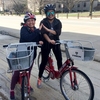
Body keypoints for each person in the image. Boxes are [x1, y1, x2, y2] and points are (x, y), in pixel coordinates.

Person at [10, 13, 43, 100]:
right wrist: (37, 31)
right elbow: (28, 38)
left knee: (28, 71)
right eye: (29, 21)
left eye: (32, 20)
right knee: (17, 71)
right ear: (25, 22)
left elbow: (37, 39)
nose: (31, 22)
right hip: (22, 54)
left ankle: (25, 85)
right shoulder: (23, 29)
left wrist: (41, 41)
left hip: (31, 55)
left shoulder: (35, 30)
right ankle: (11, 90)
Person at [37, 4, 62, 88]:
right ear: (46, 13)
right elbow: (43, 33)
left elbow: (57, 32)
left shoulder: (58, 22)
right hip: (46, 42)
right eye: (48, 13)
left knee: (59, 59)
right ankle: (39, 78)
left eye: (52, 12)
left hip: (55, 42)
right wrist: (49, 40)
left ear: (54, 13)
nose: (50, 14)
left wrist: (48, 30)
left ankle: (60, 74)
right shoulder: (43, 22)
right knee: (44, 61)